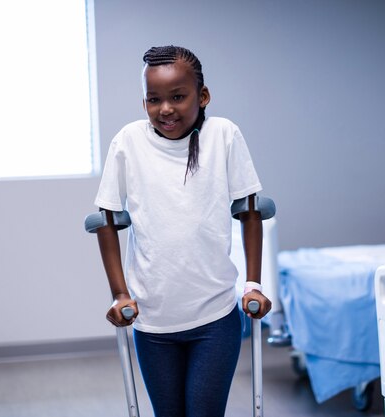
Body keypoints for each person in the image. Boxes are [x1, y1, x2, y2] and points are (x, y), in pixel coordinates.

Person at [93, 45, 272, 417]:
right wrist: (119, 293)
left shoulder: (223, 134)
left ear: (202, 96)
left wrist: (253, 285)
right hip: (152, 319)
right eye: (153, 99)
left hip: (215, 316)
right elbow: (106, 221)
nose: (165, 109)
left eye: (178, 96)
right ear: (144, 103)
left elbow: (250, 211)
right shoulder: (128, 141)